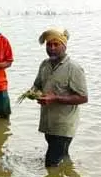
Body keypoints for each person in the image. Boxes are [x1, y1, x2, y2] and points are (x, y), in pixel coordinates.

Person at [32, 28, 88, 168]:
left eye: (56, 45)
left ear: (64, 46)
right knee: (61, 155)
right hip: (48, 122)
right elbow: (37, 85)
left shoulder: (73, 68)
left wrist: (55, 98)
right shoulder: (44, 65)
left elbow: (83, 97)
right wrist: (33, 92)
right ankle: (68, 172)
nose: (52, 48)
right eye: (49, 45)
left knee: (50, 163)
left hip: (64, 126)